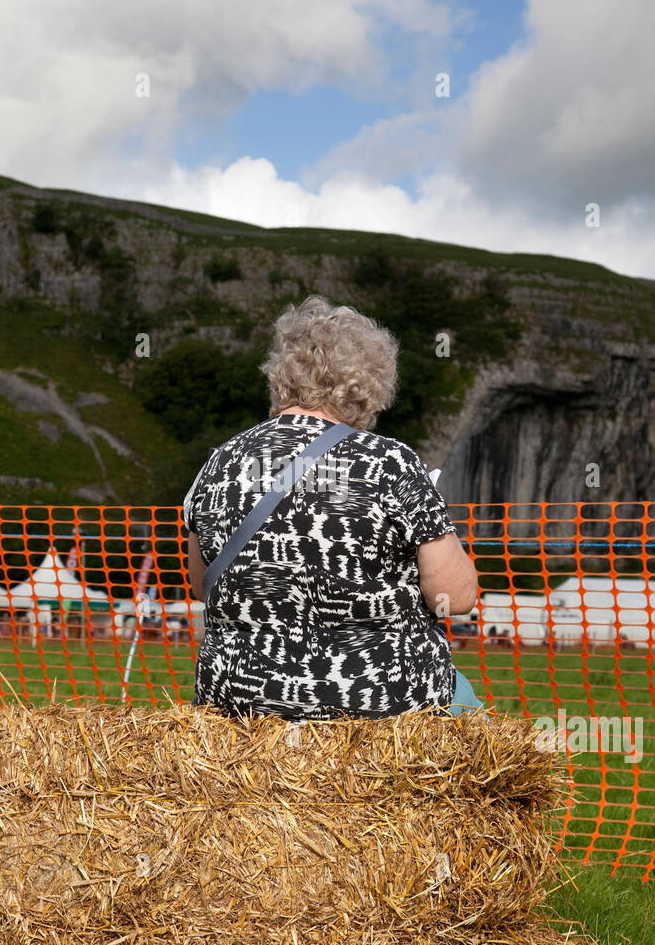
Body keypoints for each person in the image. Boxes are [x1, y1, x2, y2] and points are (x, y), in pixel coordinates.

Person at [184, 296, 481, 721]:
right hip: (380, 705)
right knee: (480, 743)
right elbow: (454, 598)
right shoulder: (390, 463)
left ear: (281, 375)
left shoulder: (220, 463)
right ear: (369, 387)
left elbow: (202, 585)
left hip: (242, 706)